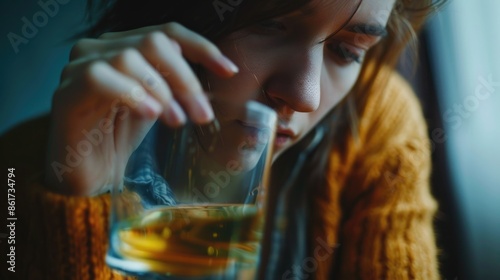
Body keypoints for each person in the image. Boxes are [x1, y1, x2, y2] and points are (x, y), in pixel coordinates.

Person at [0, 0, 445, 279]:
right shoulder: (17, 176)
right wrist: (79, 208)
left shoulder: (374, 123)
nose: (305, 96)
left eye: (347, 51)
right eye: (270, 21)